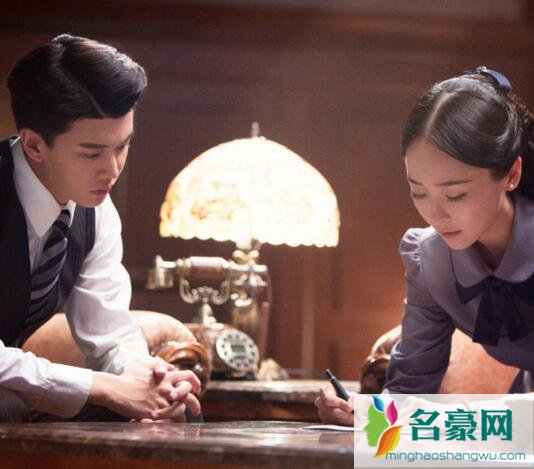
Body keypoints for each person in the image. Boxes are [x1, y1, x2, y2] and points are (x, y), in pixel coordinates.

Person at [315, 66, 534, 425]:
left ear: (511, 174)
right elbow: (408, 391)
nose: (437, 215)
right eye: (418, 192)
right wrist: (361, 412)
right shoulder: (432, 260)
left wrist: (455, 419)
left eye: (456, 194)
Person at [0, 34, 201, 423]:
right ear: (34, 145)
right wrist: (102, 386)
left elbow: (109, 332)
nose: (111, 170)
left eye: (122, 146)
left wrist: (148, 379)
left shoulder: (94, 209)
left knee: (173, 413)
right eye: (91, 153)